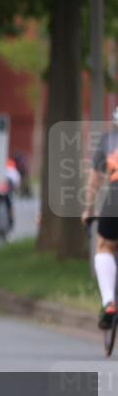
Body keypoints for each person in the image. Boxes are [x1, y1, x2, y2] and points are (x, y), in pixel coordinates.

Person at [82, 106, 118, 330]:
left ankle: (108, 303)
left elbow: (94, 180)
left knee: (104, 245)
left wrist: (89, 210)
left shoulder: (108, 141)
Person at [0, 156, 21, 232]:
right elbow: (17, 184)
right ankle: (11, 220)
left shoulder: (3, 170)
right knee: (10, 206)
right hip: (7, 191)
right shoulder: (15, 173)